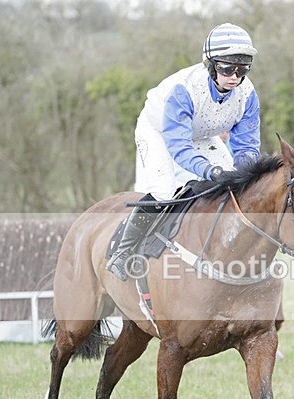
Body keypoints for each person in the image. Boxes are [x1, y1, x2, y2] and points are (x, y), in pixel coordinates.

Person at [107, 22, 261, 281]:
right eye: (227, 67)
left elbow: (247, 145)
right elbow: (179, 147)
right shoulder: (185, 89)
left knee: (235, 186)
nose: (234, 76)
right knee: (164, 191)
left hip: (201, 135)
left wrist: (243, 173)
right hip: (159, 132)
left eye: (242, 68)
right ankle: (124, 253)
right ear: (211, 65)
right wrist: (209, 170)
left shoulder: (247, 94)